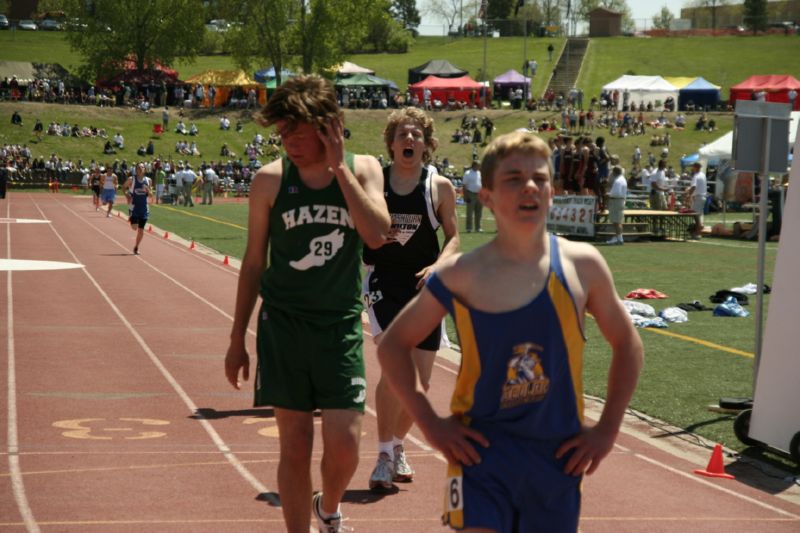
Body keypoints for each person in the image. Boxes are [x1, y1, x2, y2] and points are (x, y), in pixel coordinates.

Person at [377, 130, 643, 533]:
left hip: (556, 458)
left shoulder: (582, 265)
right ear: (486, 197)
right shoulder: (460, 273)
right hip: (479, 456)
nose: (530, 187)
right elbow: (393, 345)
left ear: (552, 192)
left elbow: (628, 344)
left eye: (540, 178)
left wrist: (607, 429)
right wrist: (431, 424)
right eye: (514, 179)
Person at [224, 74, 390, 533]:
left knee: (345, 447)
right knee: (294, 448)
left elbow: (377, 234)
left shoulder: (365, 169)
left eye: (298, 133)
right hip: (284, 326)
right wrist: (237, 337)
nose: (290, 143)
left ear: (329, 127)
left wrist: (340, 169)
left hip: (338, 328)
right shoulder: (270, 181)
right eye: (283, 135)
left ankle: (329, 506)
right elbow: (254, 263)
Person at [363, 108, 460, 493]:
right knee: (394, 368)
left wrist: (439, 265)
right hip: (383, 281)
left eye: (417, 135)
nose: (409, 140)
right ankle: (384, 455)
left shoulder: (439, 186)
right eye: (402, 134)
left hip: (424, 286)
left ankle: (399, 445)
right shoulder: (375, 183)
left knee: (419, 382)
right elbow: (357, 228)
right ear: (390, 142)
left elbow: (454, 238)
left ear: (427, 144)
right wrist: (371, 236)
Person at [123, 164, 153, 255]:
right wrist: (127, 195)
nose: (140, 169)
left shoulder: (148, 181)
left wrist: (148, 190)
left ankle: (136, 247)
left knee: (141, 229)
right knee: (134, 228)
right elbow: (124, 187)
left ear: (145, 169)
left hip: (144, 208)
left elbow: (151, 195)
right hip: (134, 207)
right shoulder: (131, 179)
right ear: (136, 170)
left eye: (141, 167)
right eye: (138, 168)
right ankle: (131, 218)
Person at [686, 161, 707, 239]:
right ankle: (698, 232)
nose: (692, 168)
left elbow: (694, 187)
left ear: (696, 167)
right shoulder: (703, 175)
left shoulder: (696, 176)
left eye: (693, 166)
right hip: (702, 197)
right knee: (699, 215)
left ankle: (697, 234)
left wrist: (689, 195)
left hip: (698, 197)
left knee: (696, 216)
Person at [607, 166, 627, 245]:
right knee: (617, 221)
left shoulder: (618, 181)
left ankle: (619, 239)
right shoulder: (622, 179)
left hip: (616, 201)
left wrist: (609, 194)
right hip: (620, 201)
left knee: (616, 221)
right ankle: (618, 237)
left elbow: (617, 193)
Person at [462, 160, 483, 232]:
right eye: (478, 165)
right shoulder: (467, 173)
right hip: (470, 193)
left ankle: (478, 228)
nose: (479, 167)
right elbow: (464, 185)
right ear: (474, 165)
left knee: (479, 212)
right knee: (469, 212)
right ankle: (469, 228)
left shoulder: (480, 173)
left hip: (479, 194)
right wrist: (465, 196)